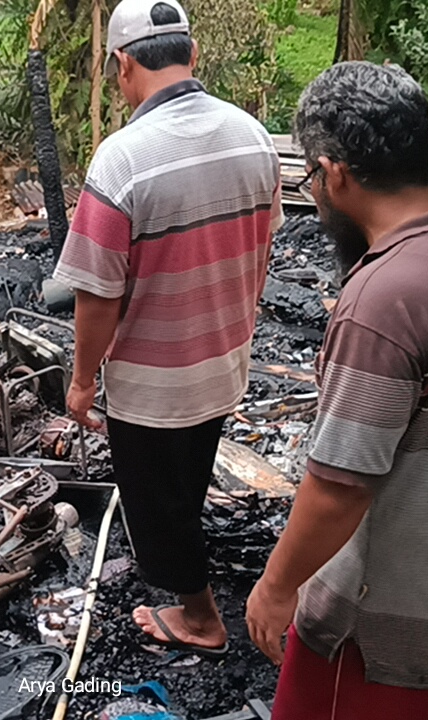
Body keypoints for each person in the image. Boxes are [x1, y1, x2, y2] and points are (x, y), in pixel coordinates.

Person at [245, 61, 428, 720]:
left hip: (381, 620)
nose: (314, 196)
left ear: (335, 173)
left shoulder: (384, 300)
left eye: (311, 179)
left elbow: (340, 487)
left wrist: (276, 586)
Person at [53, 0, 283, 656]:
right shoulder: (252, 136)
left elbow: (96, 295)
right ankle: (198, 575)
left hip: (153, 388)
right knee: (189, 476)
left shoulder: (122, 159)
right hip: (223, 362)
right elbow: (262, 249)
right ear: (194, 53)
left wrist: (82, 381)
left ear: (123, 65)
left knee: (157, 509)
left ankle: (201, 620)